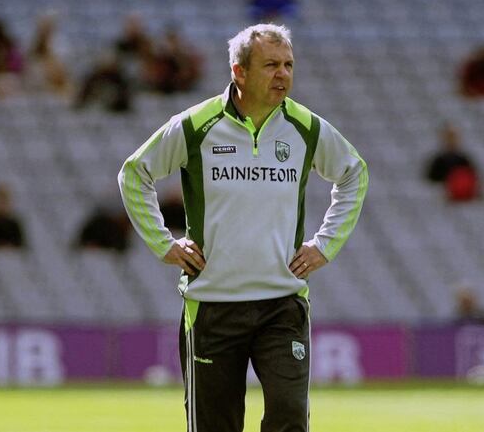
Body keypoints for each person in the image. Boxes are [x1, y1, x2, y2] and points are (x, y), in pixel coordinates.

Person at [117, 23, 368, 432]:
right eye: (271, 65)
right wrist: (163, 243)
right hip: (213, 305)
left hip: (282, 303)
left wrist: (325, 244)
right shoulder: (196, 125)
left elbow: (354, 173)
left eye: (288, 64)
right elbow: (135, 173)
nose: (283, 74)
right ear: (239, 72)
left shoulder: (306, 127)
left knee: (289, 417)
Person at [424, 123, 479, 202]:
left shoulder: (463, 159)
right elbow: (431, 181)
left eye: (453, 137)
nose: (451, 140)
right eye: (448, 137)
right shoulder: (438, 160)